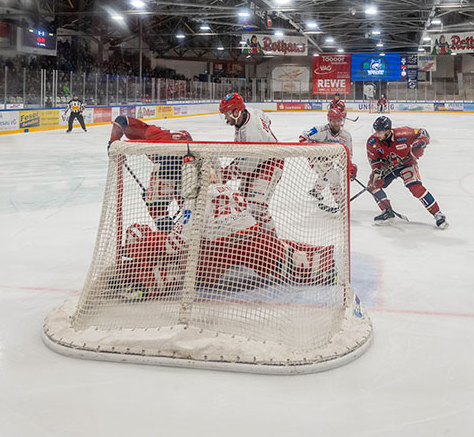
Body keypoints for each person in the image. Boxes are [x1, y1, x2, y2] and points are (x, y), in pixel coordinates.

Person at [109, 175, 336, 300]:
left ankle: (140, 280)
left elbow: (175, 244)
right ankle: (320, 265)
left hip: (218, 251)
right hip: (254, 240)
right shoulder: (231, 190)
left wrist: (147, 244)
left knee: (181, 268)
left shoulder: (196, 197)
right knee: (286, 255)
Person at [365, 115, 447, 229]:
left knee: (415, 187)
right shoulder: (372, 141)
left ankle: (438, 214)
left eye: (379, 132)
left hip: (407, 164)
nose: (377, 134)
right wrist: (377, 175)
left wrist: (419, 144)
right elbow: (374, 161)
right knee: (372, 185)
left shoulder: (404, 134)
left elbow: (423, 133)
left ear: (388, 131)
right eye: (376, 131)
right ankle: (387, 211)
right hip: (388, 167)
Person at [217, 92, 282, 236]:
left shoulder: (252, 133)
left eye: (226, 114)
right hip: (258, 158)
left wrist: (224, 174)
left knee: (257, 206)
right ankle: (256, 237)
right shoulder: (250, 112)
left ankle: (273, 243)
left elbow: (245, 167)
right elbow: (266, 119)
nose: (226, 118)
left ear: (236, 111)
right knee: (244, 203)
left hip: (271, 161)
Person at [299, 107, 357, 213]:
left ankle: (315, 191)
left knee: (326, 175)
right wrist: (317, 149)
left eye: (339, 121)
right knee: (333, 176)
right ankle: (342, 205)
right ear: (329, 121)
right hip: (316, 158)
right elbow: (302, 138)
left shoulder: (346, 136)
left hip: (330, 159)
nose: (337, 123)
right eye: (334, 121)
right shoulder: (319, 130)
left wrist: (350, 168)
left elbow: (348, 155)